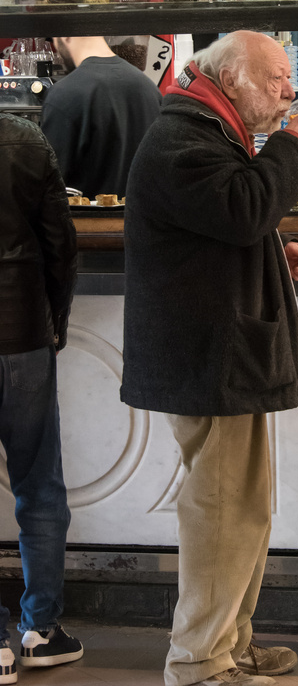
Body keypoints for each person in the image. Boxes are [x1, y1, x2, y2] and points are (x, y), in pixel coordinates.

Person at [120, 31, 298, 686]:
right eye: (273, 78)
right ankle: (199, 662)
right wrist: (296, 145)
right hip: (209, 356)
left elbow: (228, 220)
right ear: (230, 78)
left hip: (220, 351)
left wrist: (271, 249)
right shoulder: (184, 135)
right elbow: (241, 208)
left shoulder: (202, 128)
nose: (288, 91)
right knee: (219, 514)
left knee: (243, 510)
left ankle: (229, 644)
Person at [0, 113, 83, 681]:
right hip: (22, 331)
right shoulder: (25, 139)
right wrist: (54, 320)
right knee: (38, 483)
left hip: (27, 328)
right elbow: (60, 242)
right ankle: (41, 630)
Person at [41, 36, 162, 199]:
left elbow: (49, 182)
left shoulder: (64, 94)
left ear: (65, 36)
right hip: (141, 220)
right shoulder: (149, 88)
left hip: (87, 221)